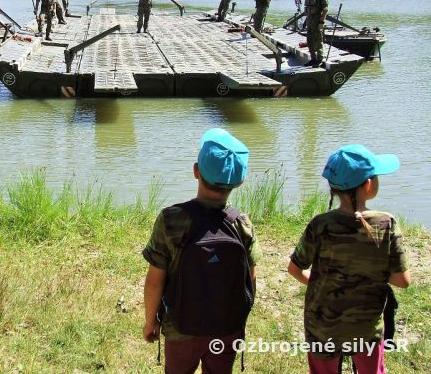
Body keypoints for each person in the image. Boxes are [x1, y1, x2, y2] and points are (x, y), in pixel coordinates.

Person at [142, 128, 259, 373]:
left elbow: (154, 281)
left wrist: (150, 321)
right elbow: (250, 280)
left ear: (196, 171)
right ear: (240, 181)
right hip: (226, 330)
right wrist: (239, 322)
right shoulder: (243, 224)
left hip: (180, 328)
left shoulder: (171, 219)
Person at [288, 144, 411, 374]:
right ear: (368, 184)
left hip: (322, 325)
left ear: (333, 188)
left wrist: (328, 282)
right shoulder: (387, 224)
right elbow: (402, 280)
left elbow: (295, 269)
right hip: (366, 327)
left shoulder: (319, 224)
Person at [304, 0, 329, 66]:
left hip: (318, 20)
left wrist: (322, 21)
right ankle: (313, 58)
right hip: (310, 21)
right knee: (309, 40)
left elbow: (325, 9)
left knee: (318, 40)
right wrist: (306, 21)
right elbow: (309, 9)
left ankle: (319, 59)